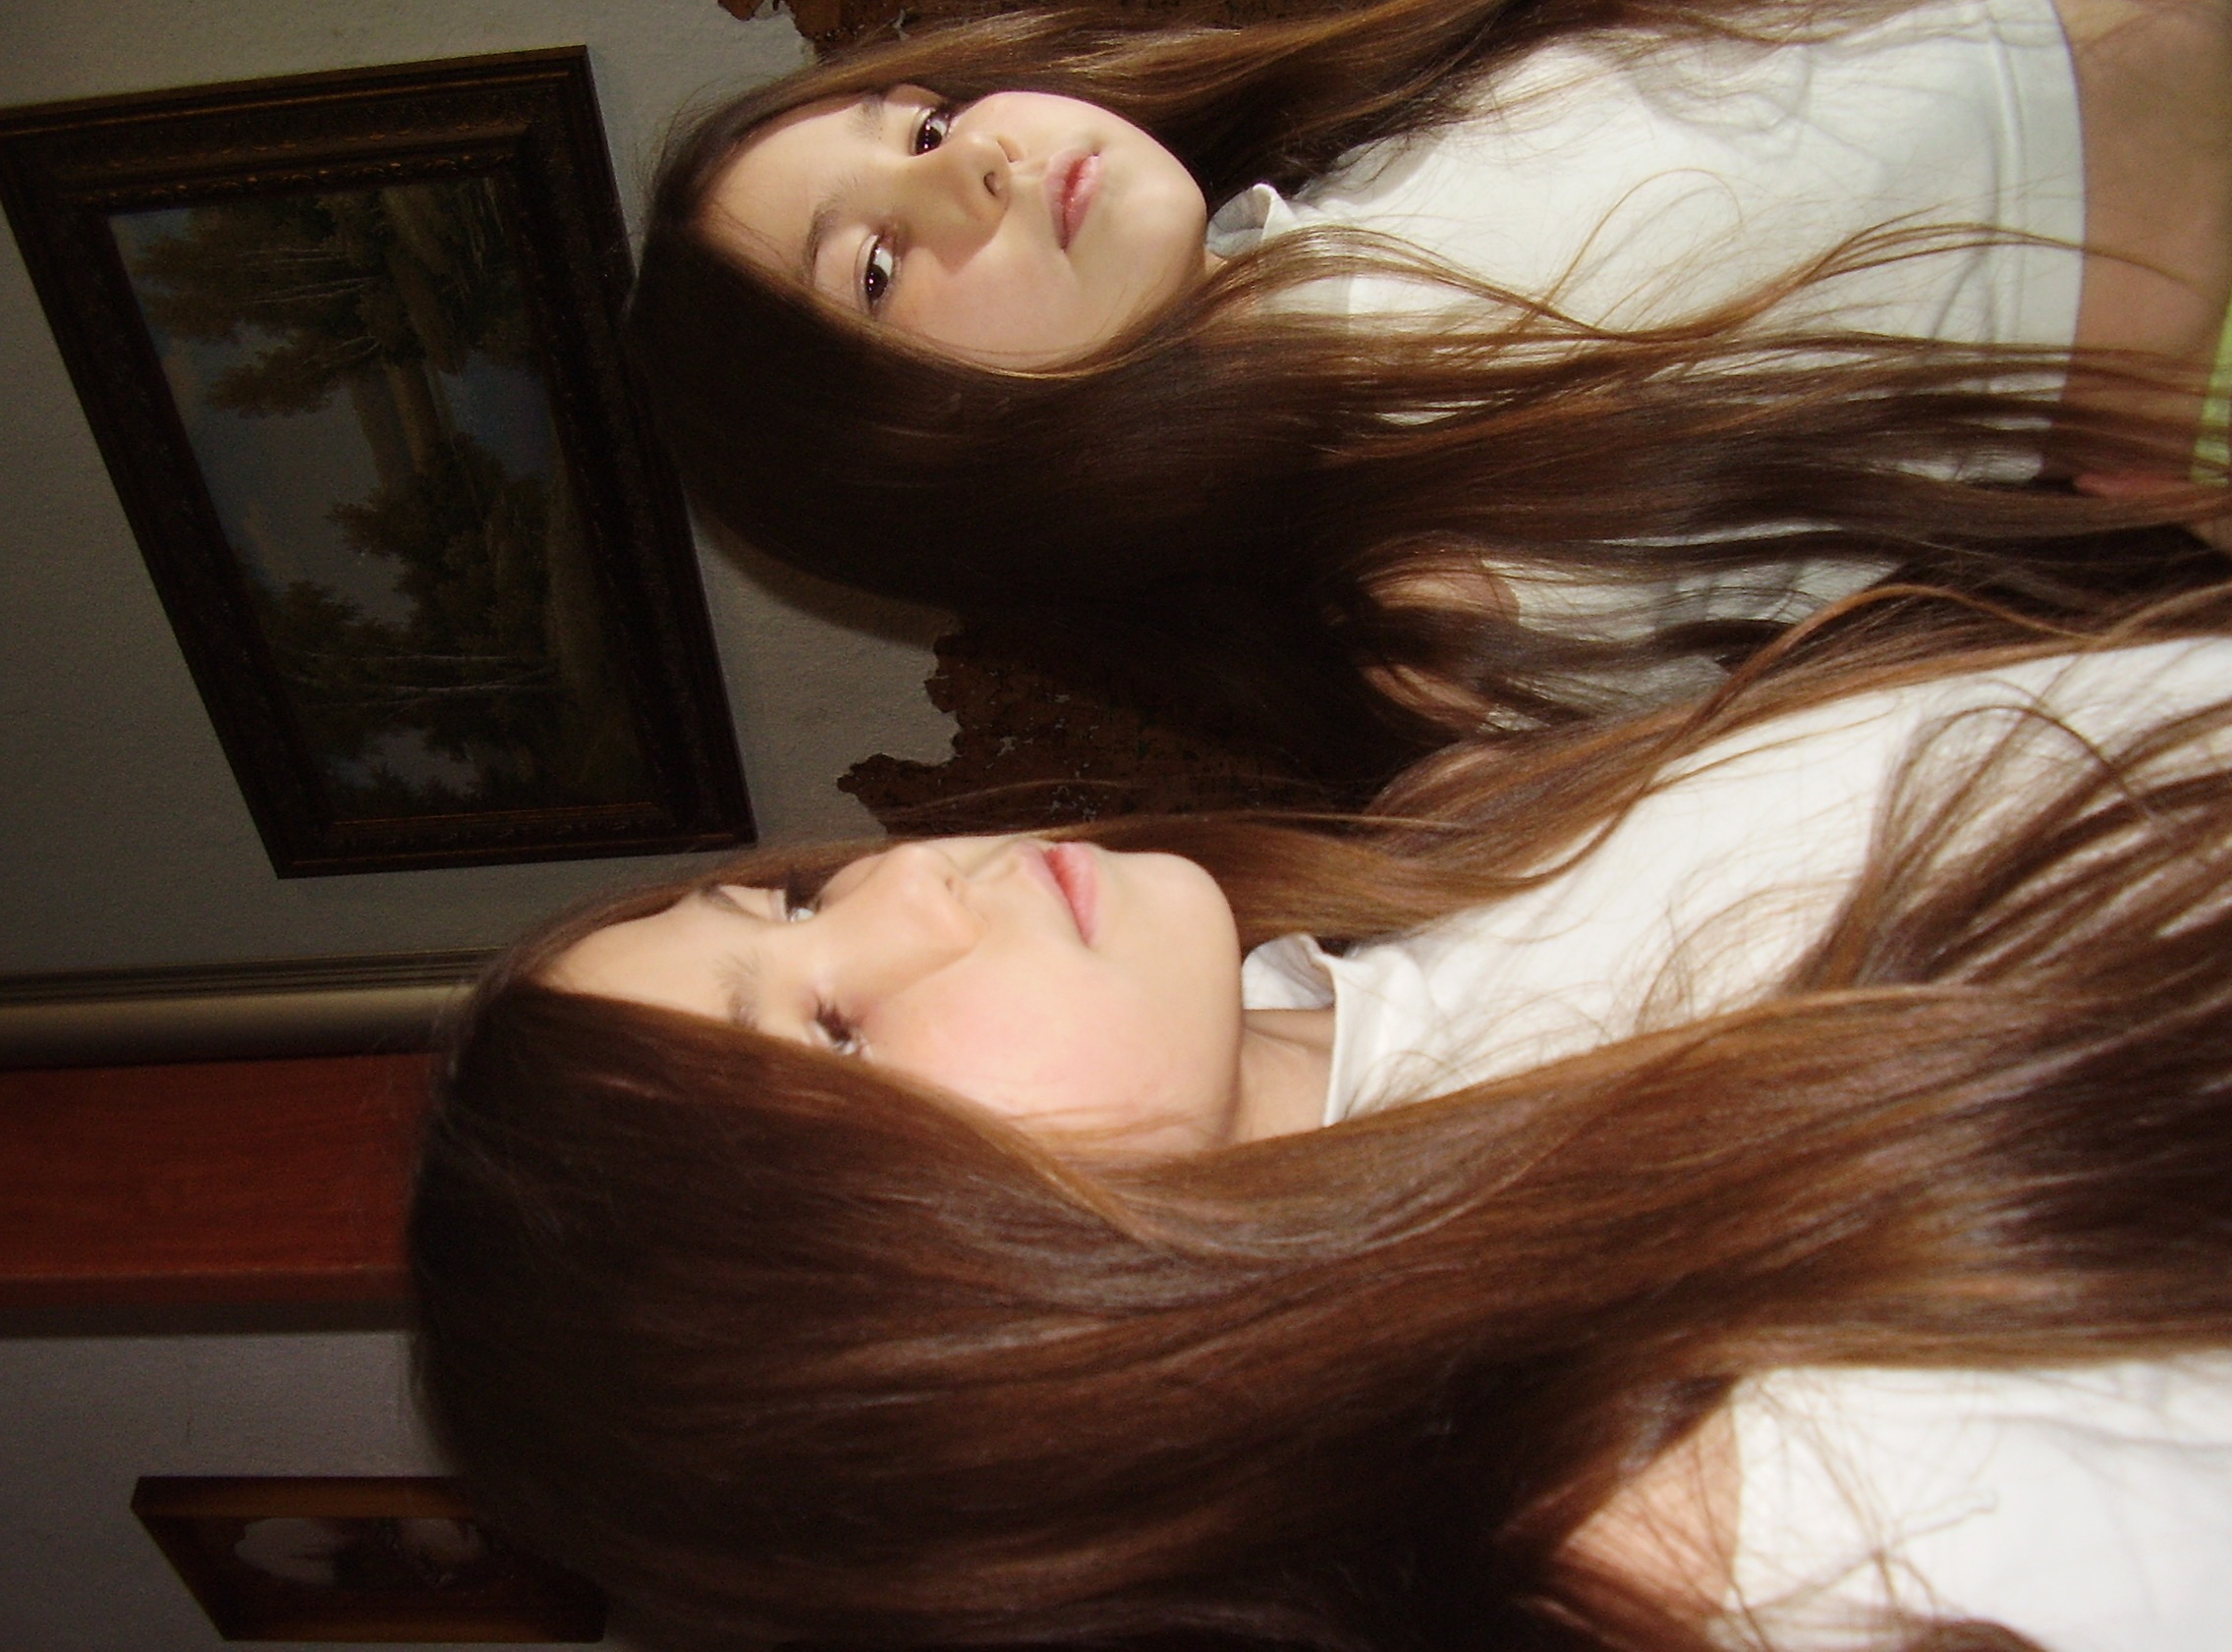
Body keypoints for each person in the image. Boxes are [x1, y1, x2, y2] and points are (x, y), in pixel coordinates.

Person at [414, 596, 2232, 1652]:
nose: (908, 882)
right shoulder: (1758, 1514)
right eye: (836, 1036)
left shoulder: (1451, 868)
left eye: (796, 902)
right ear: (943, 1357)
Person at [625, 0, 2232, 783]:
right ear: (916, 458)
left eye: (918, 123)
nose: (969, 162)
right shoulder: (1425, 603)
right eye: (877, 267)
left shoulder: (1328, 200)